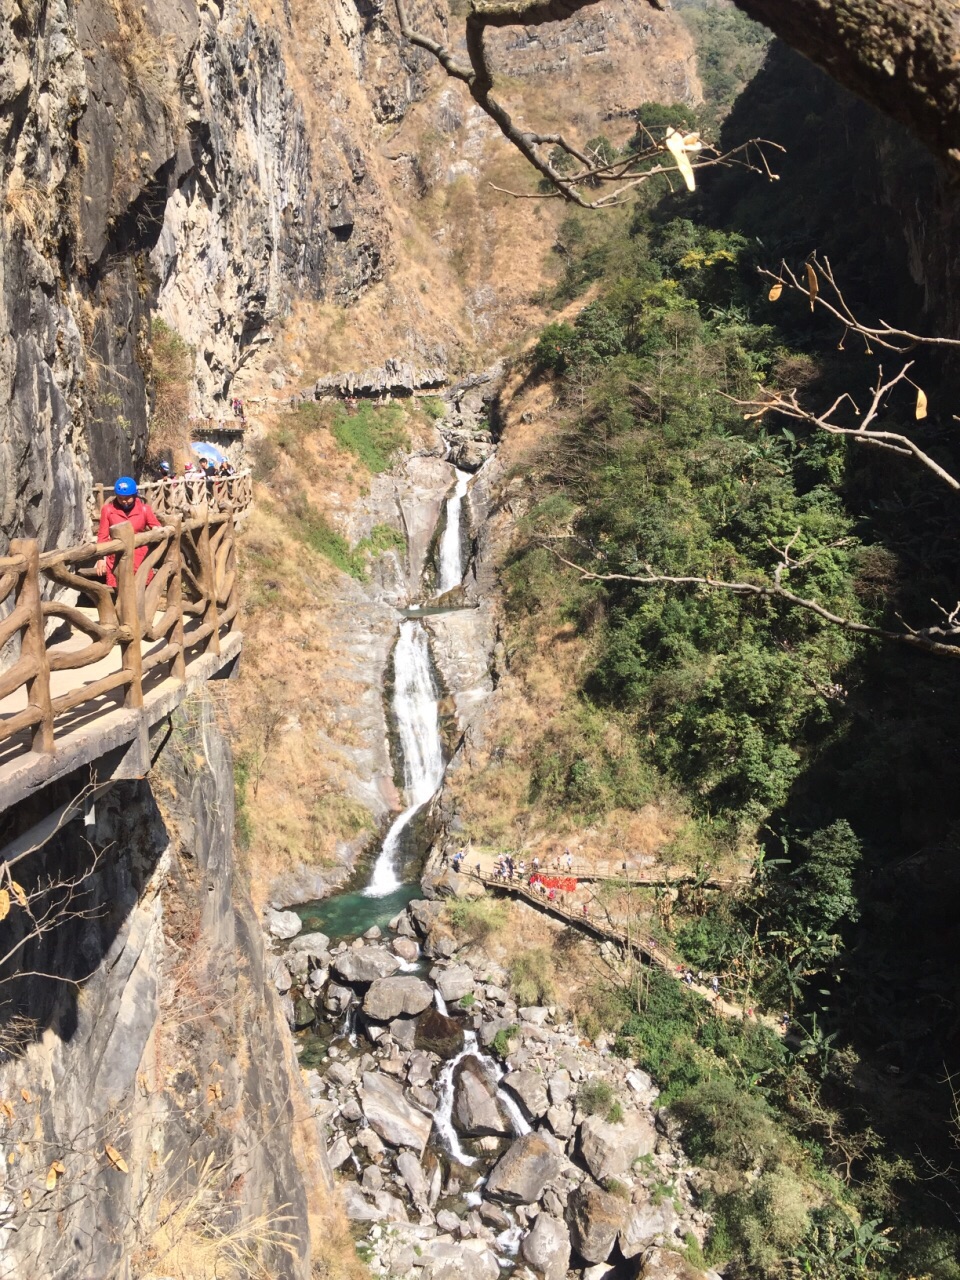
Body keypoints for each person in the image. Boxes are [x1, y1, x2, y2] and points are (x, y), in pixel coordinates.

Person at [96, 477, 161, 587]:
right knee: (118, 590)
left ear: (134, 495)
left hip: (139, 556)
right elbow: (102, 535)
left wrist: (156, 531)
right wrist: (100, 558)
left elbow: (156, 527)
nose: (124, 501)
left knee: (140, 588)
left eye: (127, 498)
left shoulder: (144, 509)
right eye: (120, 498)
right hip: (116, 557)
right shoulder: (108, 510)